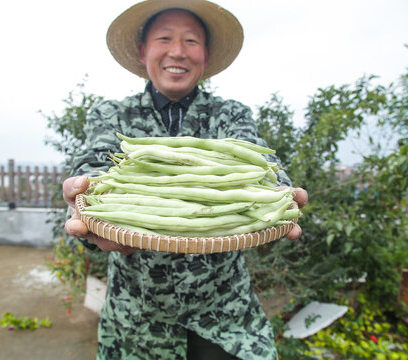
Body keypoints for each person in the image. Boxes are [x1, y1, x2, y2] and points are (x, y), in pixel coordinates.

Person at [63, 1, 308, 359]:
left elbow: (264, 166)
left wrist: (280, 195)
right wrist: (84, 203)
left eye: (191, 41)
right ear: (142, 49)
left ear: (206, 55)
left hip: (225, 317)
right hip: (137, 322)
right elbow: (94, 173)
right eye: (164, 38)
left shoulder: (230, 114)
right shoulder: (112, 115)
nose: (177, 51)